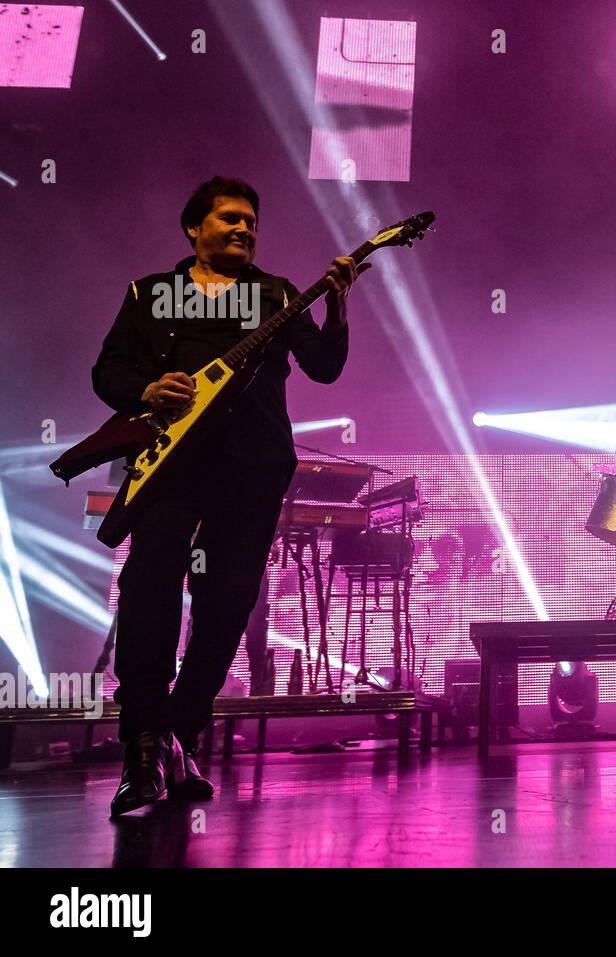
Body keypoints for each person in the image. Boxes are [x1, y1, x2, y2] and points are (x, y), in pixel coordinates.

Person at [91, 177, 368, 815]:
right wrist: (146, 391)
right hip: (171, 466)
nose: (245, 229)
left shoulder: (275, 295)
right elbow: (108, 369)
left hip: (253, 466)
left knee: (226, 600)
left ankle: (178, 739)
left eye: (251, 221)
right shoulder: (151, 293)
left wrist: (339, 304)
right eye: (230, 219)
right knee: (150, 580)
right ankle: (142, 741)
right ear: (194, 228)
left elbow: (324, 367)